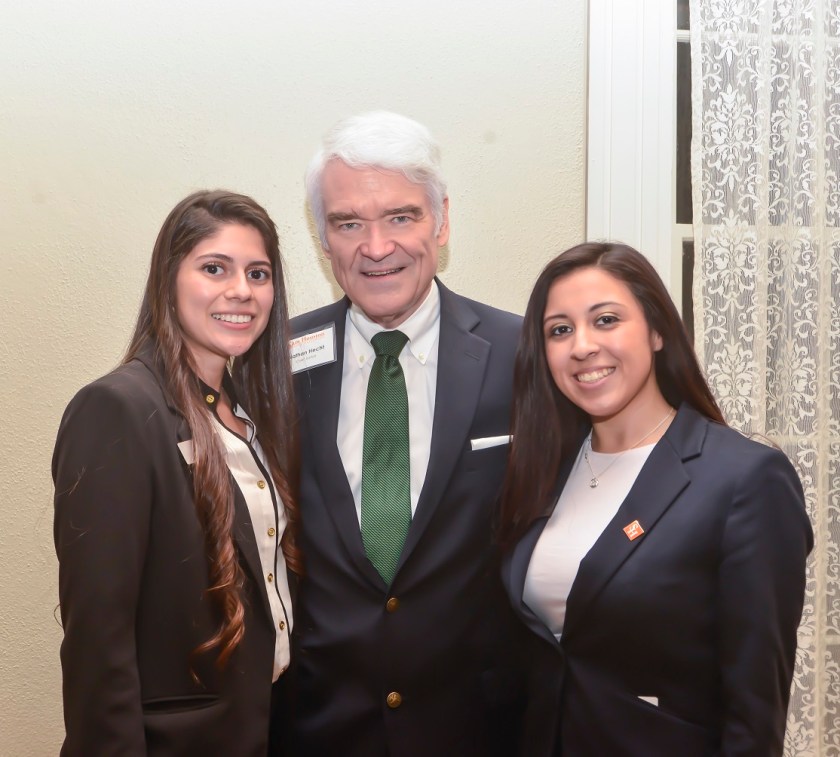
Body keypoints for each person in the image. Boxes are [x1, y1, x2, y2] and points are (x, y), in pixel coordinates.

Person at [499, 242, 814, 756]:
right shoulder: (543, 470)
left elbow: (754, 711)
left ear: (658, 331)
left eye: (605, 320)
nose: (581, 346)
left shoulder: (745, 479)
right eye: (560, 329)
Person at [287, 111, 524, 756]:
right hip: (318, 730)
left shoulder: (524, 353)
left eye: (401, 216)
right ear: (322, 237)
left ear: (441, 222)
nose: (376, 246)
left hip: (480, 730)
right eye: (348, 223)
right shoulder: (273, 364)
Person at [52, 190, 299, 756]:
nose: (241, 290)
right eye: (215, 268)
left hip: (262, 730)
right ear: (169, 280)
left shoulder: (249, 414)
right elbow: (98, 636)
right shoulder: (117, 408)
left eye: (258, 273)